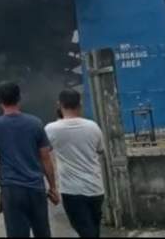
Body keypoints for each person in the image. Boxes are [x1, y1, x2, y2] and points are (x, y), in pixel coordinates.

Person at [0, 81, 60, 238]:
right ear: (19, 98)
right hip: (36, 188)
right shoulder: (35, 123)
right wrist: (53, 187)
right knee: (43, 232)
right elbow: (45, 158)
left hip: (12, 190)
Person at [45, 89, 105, 238]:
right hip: (96, 189)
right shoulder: (93, 126)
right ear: (80, 104)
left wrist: (51, 186)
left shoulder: (51, 129)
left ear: (59, 104)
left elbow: (43, 153)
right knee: (93, 230)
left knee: (86, 231)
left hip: (72, 191)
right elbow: (100, 150)